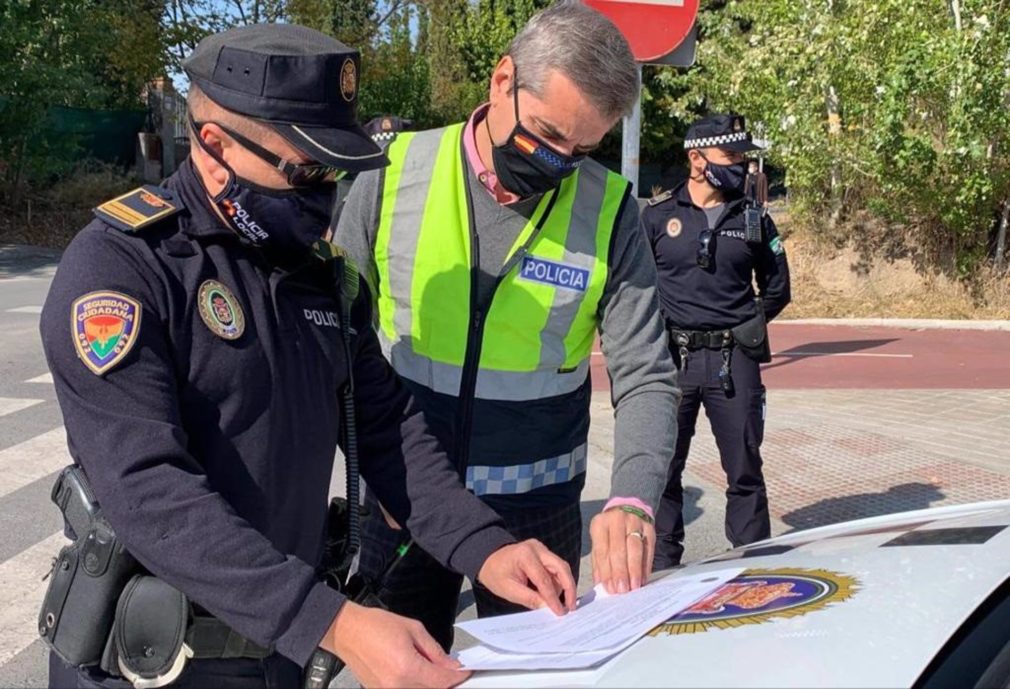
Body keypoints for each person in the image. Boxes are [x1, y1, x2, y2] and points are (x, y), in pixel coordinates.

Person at [40, 24, 576, 689]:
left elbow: (389, 429)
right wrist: (336, 621)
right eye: (305, 170)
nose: (325, 194)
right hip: (152, 662)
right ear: (214, 148)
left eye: (336, 172)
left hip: (280, 653)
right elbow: (148, 487)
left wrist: (486, 546)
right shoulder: (122, 268)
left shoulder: (318, 274)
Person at [335, 1, 679, 651]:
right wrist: (367, 464)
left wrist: (632, 497)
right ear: (502, 81)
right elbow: (333, 341)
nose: (558, 164)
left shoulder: (609, 212)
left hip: (537, 519)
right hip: (404, 504)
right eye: (548, 136)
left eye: (581, 150)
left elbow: (647, 375)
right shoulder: (390, 175)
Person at [640, 113, 792, 570]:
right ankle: (663, 569)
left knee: (744, 468)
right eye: (731, 157)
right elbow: (636, 288)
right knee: (665, 469)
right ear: (696, 158)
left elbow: (778, 288)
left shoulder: (752, 220)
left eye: (742, 158)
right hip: (673, 360)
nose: (740, 167)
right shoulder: (658, 217)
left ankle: (751, 565)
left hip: (733, 362)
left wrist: (746, 324)